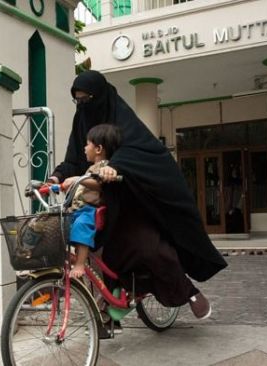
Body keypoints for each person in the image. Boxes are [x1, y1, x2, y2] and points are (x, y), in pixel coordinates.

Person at [48, 70, 227, 319]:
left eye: (85, 99)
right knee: (100, 255)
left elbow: (134, 150)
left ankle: (188, 290)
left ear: (98, 96)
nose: (82, 106)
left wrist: (115, 167)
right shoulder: (82, 122)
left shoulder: (123, 119)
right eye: (76, 100)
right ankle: (117, 300)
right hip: (100, 203)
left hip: (132, 200)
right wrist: (55, 177)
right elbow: (74, 159)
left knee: (148, 248)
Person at [61, 124, 121, 279]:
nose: (84, 148)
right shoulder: (92, 167)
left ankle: (80, 263)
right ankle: (73, 257)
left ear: (99, 149)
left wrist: (78, 180)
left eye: (87, 144)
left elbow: (100, 183)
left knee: (81, 225)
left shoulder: (104, 167)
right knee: (56, 227)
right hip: (77, 210)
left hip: (90, 210)